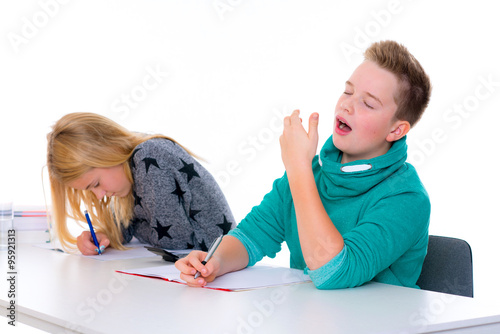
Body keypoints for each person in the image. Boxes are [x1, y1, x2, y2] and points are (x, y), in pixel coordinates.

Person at [175, 40, 432, 290]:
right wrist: (213, 263)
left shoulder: (407, 198)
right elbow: (250, 237)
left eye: (367, 103)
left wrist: (299, 168)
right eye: (348, 91)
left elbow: (333, 272)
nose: (347, 105)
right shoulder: (309, 175)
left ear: (397, 130)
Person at [47, 112, 235, 255]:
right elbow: (132, 223)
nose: (99, 195)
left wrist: (134, 229)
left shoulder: (149, 157)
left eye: (96, 184)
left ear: (111, 150)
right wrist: (107, 235)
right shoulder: (131, 172)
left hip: (218, 265)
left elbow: (174, 243)